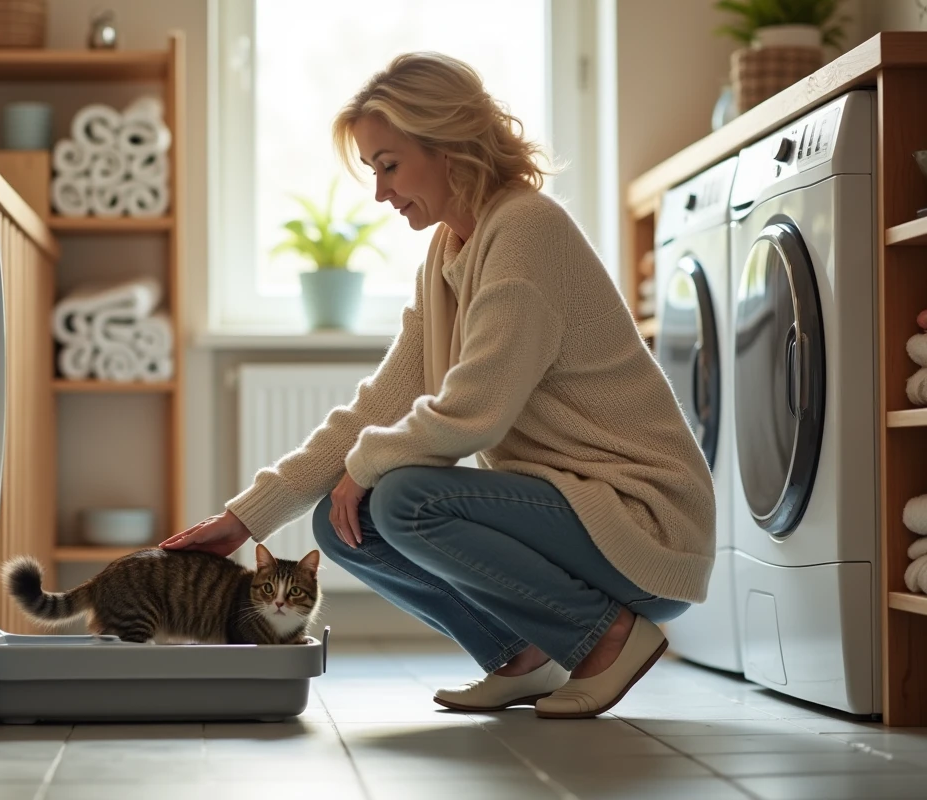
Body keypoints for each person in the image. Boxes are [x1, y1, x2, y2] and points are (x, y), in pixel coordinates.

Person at [161, 51, 715, 719]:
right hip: (577, 514)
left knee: (403, 499)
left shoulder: (526, 230)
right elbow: (378, 405)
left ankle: (609, 639)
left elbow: (474, 413)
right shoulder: (449, 251)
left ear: (449, 146)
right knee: (343, 525)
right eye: (373, 170)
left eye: (389, 165)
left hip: (641, 523)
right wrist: (246, 518)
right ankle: (521, 654)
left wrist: (364, 467)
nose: (380, 192)